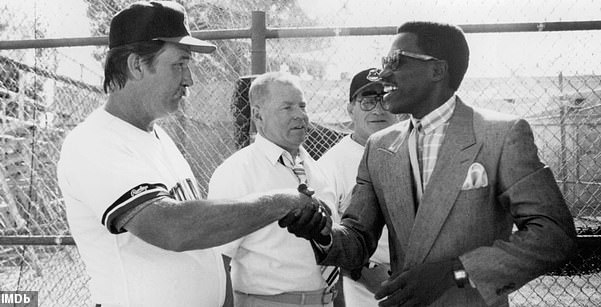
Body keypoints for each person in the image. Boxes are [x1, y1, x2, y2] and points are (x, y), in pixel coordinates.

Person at [281, 21, 577, 307]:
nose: (383, 74)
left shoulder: (500, 136)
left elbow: (553, 236)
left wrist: (456, 273)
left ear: (437, 69)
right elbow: (358, 239)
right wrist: (322, 232)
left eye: (395, 61)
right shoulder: (380, 147)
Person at [57, 2, 321, 307]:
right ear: (136, 65)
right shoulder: (94, 141)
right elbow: (172, 228)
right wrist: (281, 202)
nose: (189, 79)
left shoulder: (156, 136)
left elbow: (202, 249)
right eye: (179, 64)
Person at [208, 71, 340, 307]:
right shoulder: (236, 173)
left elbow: (333, 249)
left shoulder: (315, 169)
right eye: (287, 107)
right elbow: (218, 260)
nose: (300, 115)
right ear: (258, 115)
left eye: (302, 105)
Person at [318, 68, 398, 306]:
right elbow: (324, 236)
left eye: (384, 99)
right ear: (350, 109)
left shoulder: (411, 150)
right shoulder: (331, 164)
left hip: (415, 280)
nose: (377, 109)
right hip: (364, 287)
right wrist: (363, 272)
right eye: (367, 101)